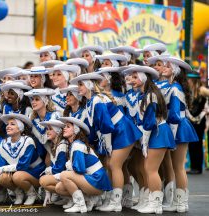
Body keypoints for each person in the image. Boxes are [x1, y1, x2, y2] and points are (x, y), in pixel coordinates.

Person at [70, 73, 142, 212]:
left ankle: (116, 202)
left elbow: (106, 125)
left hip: (123, 131)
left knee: (114, 164)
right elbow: (95, 127)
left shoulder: (97, 100)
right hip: (116, 133)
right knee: (112, 164)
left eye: (80, 84)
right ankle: (117, 199)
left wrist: (107, 145)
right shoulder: (91, 102)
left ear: (89, 85)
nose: (78, 88)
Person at [123, 65, 176, 214]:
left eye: (135, 77)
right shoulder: (144, 94)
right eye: (131, 77)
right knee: (148, 169)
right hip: (154, 132)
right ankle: (152, 201)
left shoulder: (150, 95)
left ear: (144, 78)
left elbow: (150, 121)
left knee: (151, 169)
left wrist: (144, 140)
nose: (131, 80)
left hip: (158, 132)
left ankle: (156, 204)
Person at [160, 56, 198, 213]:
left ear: (175, 70)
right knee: (177, 167)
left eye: (167, 66)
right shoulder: (171, 86)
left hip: (179, 128)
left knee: (178, 167)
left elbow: (175, 114)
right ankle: (178, 201)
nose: (163, 68)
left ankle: (181, 202)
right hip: (175, 128)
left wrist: (171, 134)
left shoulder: (175, 88)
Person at [55, 117, 112, 213]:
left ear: (76, 130)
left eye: (68, 126)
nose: (64, 128)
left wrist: (63, 173)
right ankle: (89, 200)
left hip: (97, 180)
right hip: (93, 180)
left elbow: (79, 170)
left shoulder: (77, 145)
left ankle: (80, 205)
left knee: (64, 175)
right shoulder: (75, 144)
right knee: (59, 187)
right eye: (64, 126)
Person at [0, 113, 45, 205]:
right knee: (3, 177)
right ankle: (19, 193)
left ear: (20, 128)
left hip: (35, 172)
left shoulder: (28, 141)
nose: (8, 126)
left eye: (12, 124)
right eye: (7, 124)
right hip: (18, 172)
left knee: (17, 176)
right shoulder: (4, 143)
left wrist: (3, 169)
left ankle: (32, 194)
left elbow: (22, 166)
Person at [24, 88, 60, 160]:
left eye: (37, 99)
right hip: (45, 151)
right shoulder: (33, 119)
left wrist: (52, 155)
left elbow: (58, 138)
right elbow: (42, 140)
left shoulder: (54, 116)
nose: (33, 102)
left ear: (45, 101)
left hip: (59, 149)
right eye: (32, 99)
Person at [38, 119, 68, 206]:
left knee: (43, 180)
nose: (47, 131)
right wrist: (48, 192)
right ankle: (64, 196)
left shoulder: (62, 145)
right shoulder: (55, 145)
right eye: (47, 129)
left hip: (67, 177)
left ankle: (69, 197)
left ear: (58, 131)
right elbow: (54, 167)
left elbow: (59, 169)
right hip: (62, 176)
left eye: (50, 129)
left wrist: (48, 170)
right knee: (43, 180)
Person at [187, 71, 207, 174]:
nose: (188, 81)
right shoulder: (191, 91)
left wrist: (206, 109)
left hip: (200, 121)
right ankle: (193, 166)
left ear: (194, 80)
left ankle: (198, 168)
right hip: (192, 121)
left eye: (189, 80)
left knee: (197, 144)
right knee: (191, 144)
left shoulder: (201, 90)